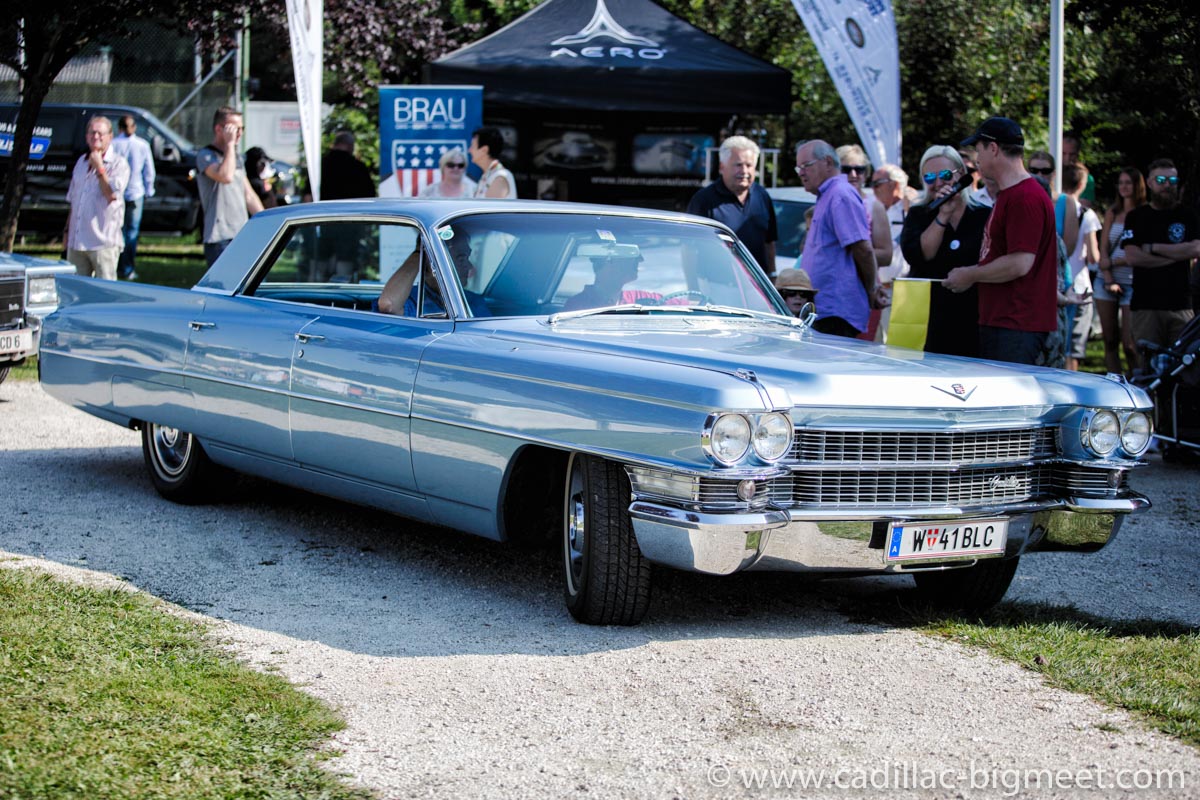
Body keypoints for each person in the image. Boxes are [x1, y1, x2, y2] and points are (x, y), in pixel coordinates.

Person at [945, 117, 1059, 365]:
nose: (977, 158)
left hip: (1017, 324)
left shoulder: (1024, 197)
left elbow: (1020, 263)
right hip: (1006, 321)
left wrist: (970, 275)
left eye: (979, 150)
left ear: (994, 148)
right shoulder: (1012, 194)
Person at [899, 145, 991, 358]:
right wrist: (943, 215)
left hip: (973, 315)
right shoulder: (918, 214)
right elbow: (921, 256)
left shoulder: (984, 215)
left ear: (961, 174)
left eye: (946, 175)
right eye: (930, 177)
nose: (939, 183)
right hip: (928, 317)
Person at [794, 139, 884, 338]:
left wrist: (872, 289)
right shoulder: (828, 195)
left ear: (827, 162)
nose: (801, 172)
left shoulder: (840, 195)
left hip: (835, 312)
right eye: (798, 167)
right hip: (824, 310)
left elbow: (863, 249)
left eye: (806, 165)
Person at [1123, 158, 1200, 368]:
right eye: (1161, 180)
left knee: (1184, 366)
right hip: (1146, 305)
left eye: (1172, 180)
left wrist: (1153, 248)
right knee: (1146, 367)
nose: (1167, 185)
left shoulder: (1188, 215)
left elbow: (1196, 249)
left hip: (1181, 304)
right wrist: (1177, 255)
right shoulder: (1137, 217)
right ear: (1149, 183)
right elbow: (1132, 257)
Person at [686, 135, 777, 277]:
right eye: (738, 165)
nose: (744, 171)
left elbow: (769, 242)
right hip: (716, 283)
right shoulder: (703, 200)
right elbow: (689, 248)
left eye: (749, 165)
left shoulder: (762, 196)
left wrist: (772, 274)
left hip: (757, 284)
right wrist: (692, 285)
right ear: (722, 167)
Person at [64, 116, 130, 281]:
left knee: (104, 292)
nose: (96, 137)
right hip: (77, 242)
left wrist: (100, 167)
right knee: (76, 290)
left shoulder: (118, 164)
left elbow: (111, 195)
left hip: (103, 243)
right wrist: (66, 233)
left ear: (110, 136)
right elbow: (74, 201)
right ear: (86, 136)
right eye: (92, 133)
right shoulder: (81, 162)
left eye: (101, 133)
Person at [1095, 167, 1147, 376]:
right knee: (1110, 340)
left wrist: (1115, 261)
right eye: (1121, 182)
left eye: (1128, 183)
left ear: (1137, 186)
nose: (1124, 187)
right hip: (1106, 279)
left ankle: (1137, 382)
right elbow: (1104, 246)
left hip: (1132, 280)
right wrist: (1108, 275)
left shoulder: (1144, 213)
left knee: (1130, 344)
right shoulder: (1112, 212)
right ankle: (1114, 381)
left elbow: (1141, 251)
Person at [197, 107, 263, 267]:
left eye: (241, 128)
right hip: (219, 236)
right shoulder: (206, 155)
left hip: (242, 234)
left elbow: (248, 195)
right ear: (219, 129)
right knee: (224, 282)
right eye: (234, 128)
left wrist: (267, 220)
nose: (239, 133)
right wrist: (229, 145)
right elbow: (225, 176)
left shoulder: (236, 158)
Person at [377, 233, 490, 317]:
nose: (469, 267)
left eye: (467, 258)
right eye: (461, 259)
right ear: (430, 263)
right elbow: (389, 305)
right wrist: (421, 252)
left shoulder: (473, 300)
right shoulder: (412, 300)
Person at [1062, 164, 1101, 371]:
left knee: (1059, 344)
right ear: (1081, 185)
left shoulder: (1054, 208)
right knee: (1072, 349)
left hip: (1057, 285)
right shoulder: (1087, 214)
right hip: (1079, 285)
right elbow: (1093, 256)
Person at [110, 114, 154, 280]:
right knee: (131, 232)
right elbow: (149, 171)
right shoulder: (142, 145)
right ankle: (127, 269)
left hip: (117, 193)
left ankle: (117, 266)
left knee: (117, 230)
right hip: (136, 193)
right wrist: (149, 190)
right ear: (134, 127)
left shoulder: (114, 144)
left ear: (119, 128)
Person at [870, 163, 910, 341]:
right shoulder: (874, 209)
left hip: (900, 291)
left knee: (896, 344)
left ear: (894, 185)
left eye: (877, 184)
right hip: (876, 288)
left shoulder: (909, 209)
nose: (873, 189)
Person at [561, 244, 661, 311]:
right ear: (608, 261)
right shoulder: (578, 307)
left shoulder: (641, 298)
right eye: (631, 253)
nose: (640, 259)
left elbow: (669, 301)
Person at [321, 131, 375, 200]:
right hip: (353, 206)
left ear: (335, 144)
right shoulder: (358, 167)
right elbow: (370, 193)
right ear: (350, 146)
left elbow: (309, 194)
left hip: (325, 206)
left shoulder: (322, 164)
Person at [469, 126, 517, 199]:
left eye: (472, 146)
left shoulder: (499, 177)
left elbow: (489, 206)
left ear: (484, 150)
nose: (469, 150)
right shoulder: (488, 175)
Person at [1062, 132, 1096, 209]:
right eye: (1063, 153)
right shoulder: (1046, 172)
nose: (1067, 158)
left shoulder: (1086, 178)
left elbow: (1084, 206)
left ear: (1078, 154)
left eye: (1072, 154)